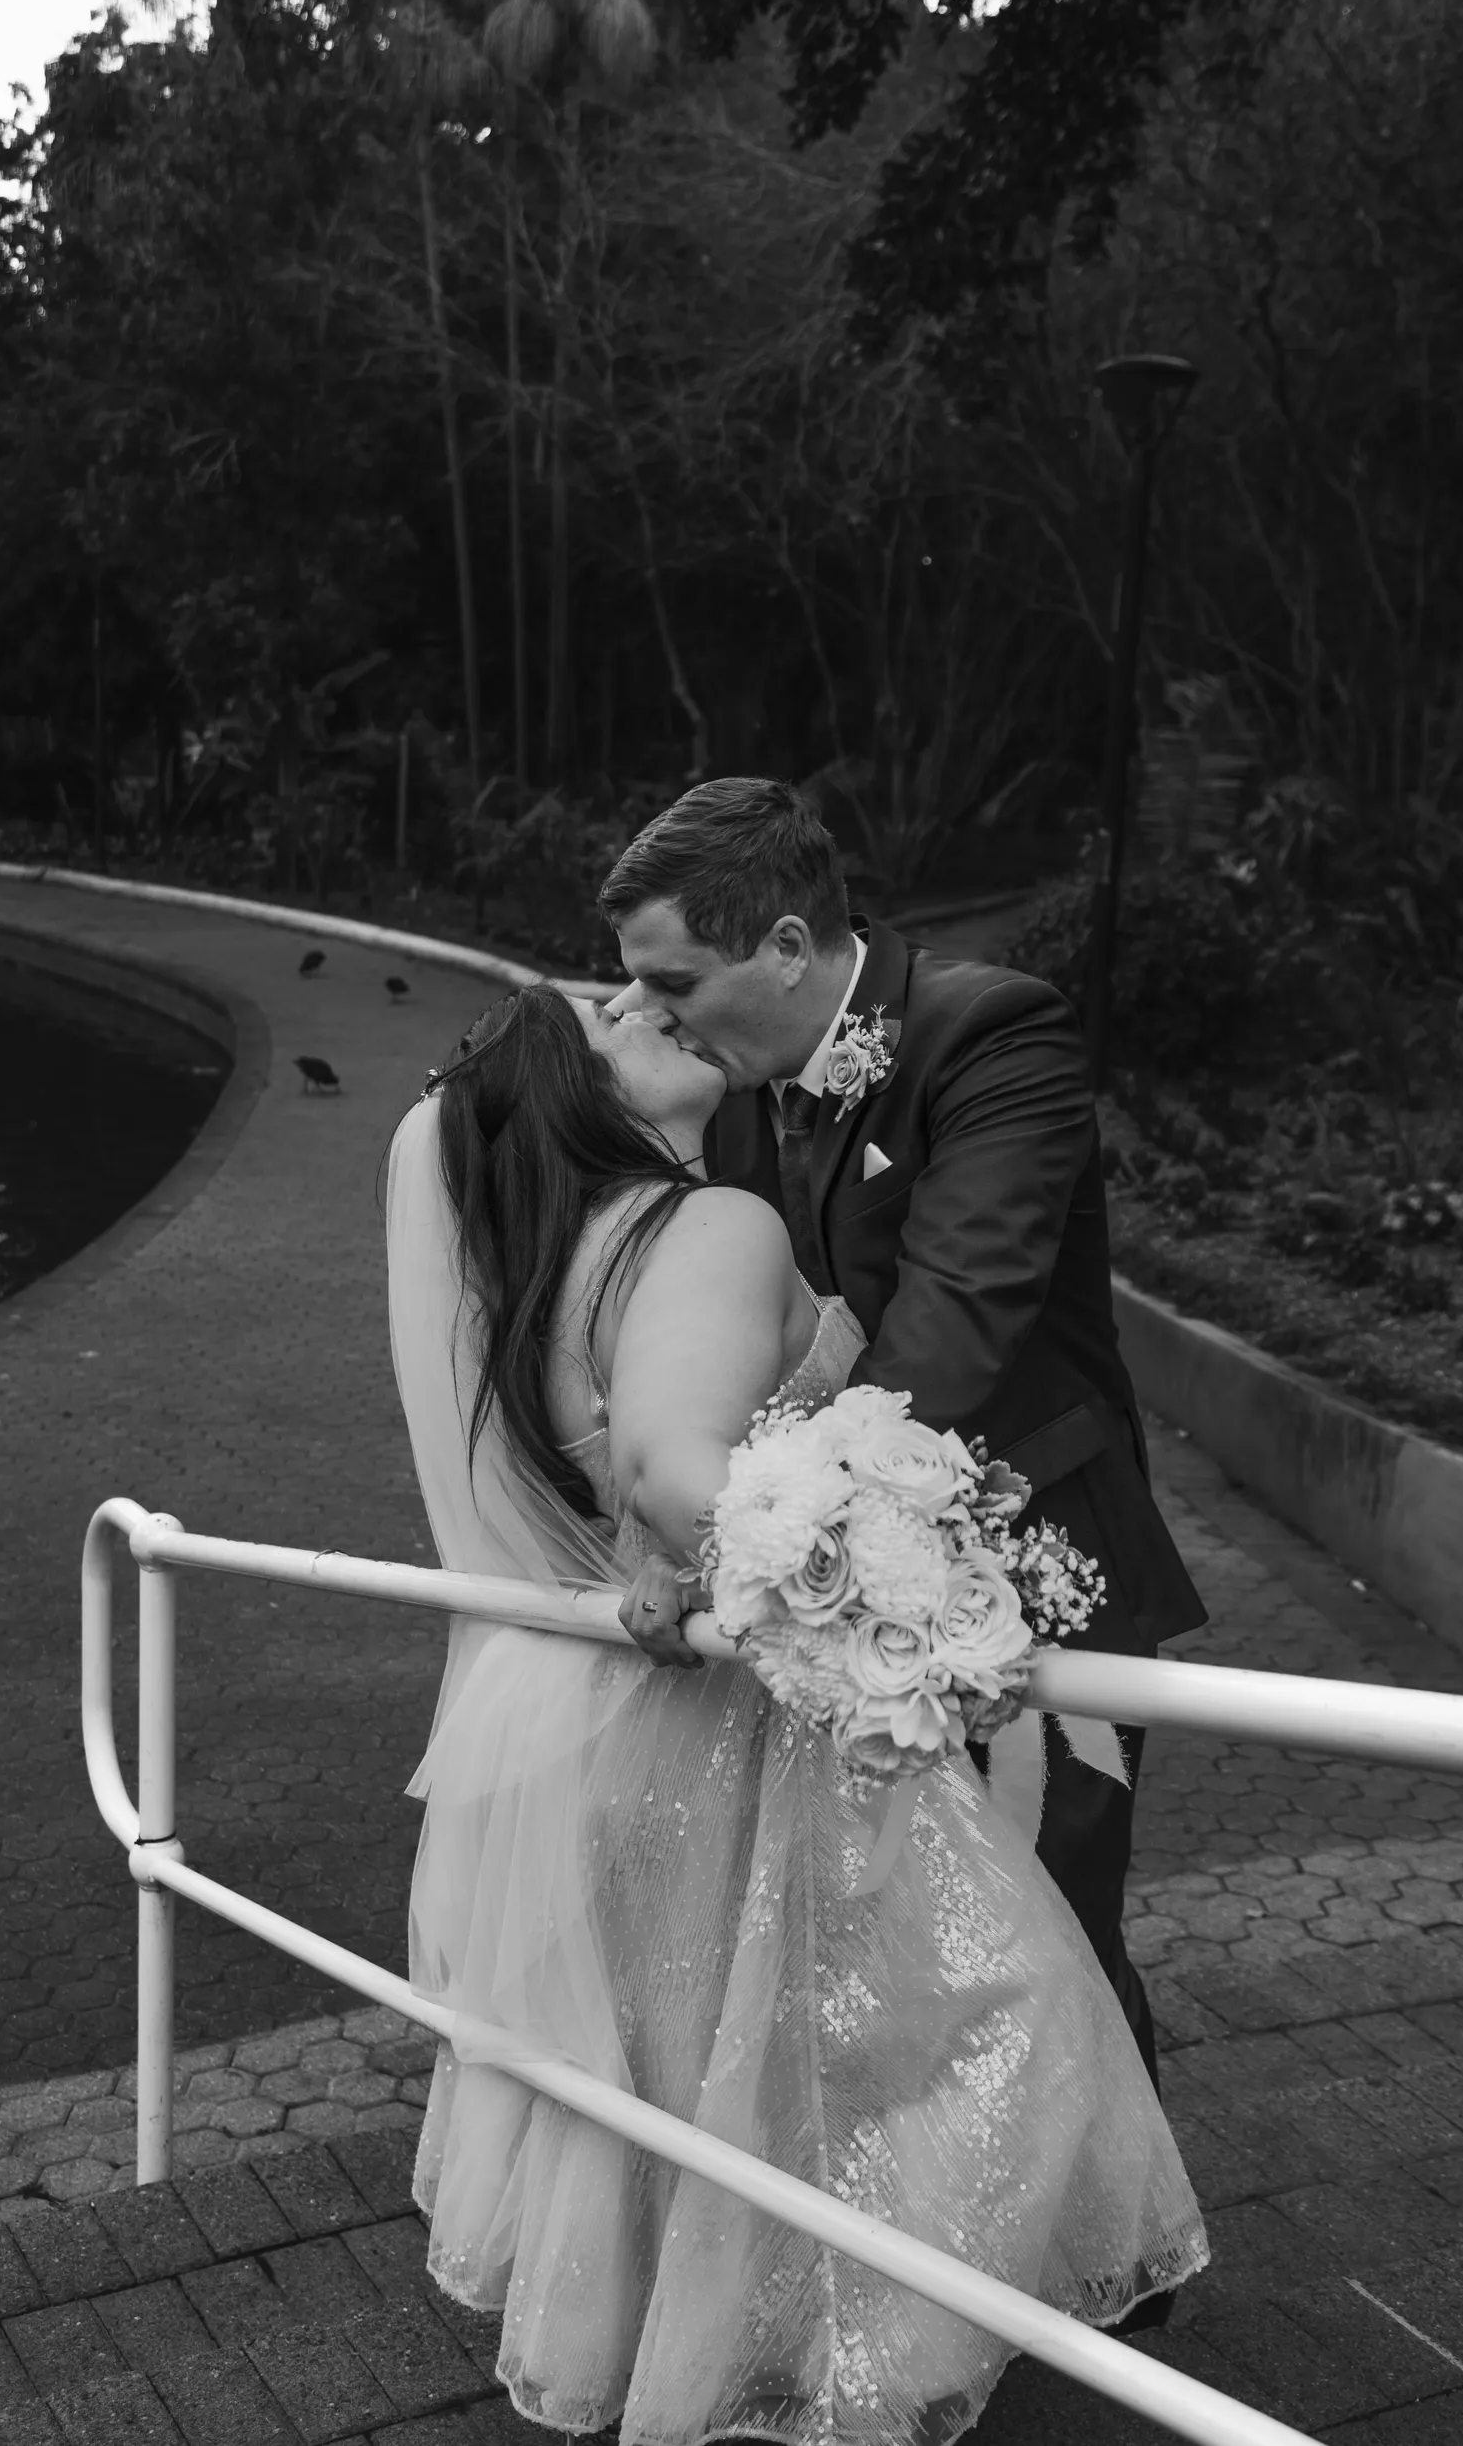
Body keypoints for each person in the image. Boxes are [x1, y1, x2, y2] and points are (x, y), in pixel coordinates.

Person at [386, 982, 1207, 2446]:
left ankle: (740, 2345)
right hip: (758, 1726)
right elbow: (671, 1472)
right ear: (585, 1097)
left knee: (726, 2063)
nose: (645, 1002)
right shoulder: (701, 1226)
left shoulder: (539, 1275)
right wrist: (880, 1602)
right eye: (610, 1010)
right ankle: (907, 2349)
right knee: (998, 2014)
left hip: (624, 1728)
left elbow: (631, 1473)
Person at [601, 778, 1208, 2100]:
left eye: (674, 983)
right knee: (915, 1934)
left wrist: (730, 1545)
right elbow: (776, 1335)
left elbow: (945, 1336)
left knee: (1049, 1923)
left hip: (1040, 1572)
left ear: (782, 945)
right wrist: (703, 1531)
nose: (653, 1015)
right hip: (865, 1586)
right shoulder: (757, 1080)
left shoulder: (993, 1034)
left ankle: (1106, 2280)